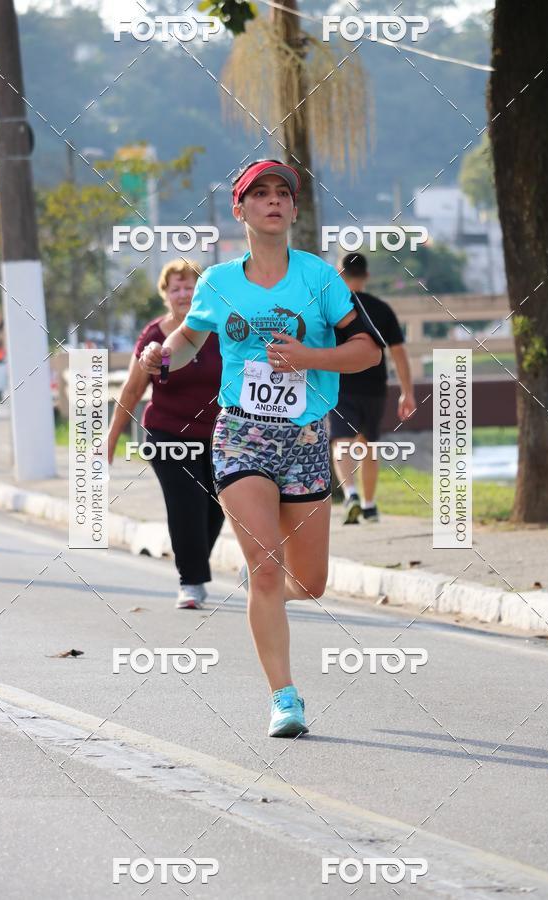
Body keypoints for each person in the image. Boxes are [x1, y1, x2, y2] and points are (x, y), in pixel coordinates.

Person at [139, 159, 383, 738]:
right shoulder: (218, 281)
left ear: (293, 210)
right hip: (241, 433)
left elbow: (367, 351)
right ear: (240, 209)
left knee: (311, 582)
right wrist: (161, 356)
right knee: (266, 570)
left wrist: (310, 359)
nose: (274, 201)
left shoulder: (319, 279)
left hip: (304, 439)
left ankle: (264, 602)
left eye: (283, 194)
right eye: (261, 194)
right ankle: (285, 698)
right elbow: (190, 334)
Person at [107, 258, 224, 610]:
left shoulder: (220, 328)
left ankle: (194, 566)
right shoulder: (155, 336)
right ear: (165, 294)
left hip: (220, 436)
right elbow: (131, 389)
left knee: (217, 507)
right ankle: (191, 582)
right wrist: (110, 440)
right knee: (186, 504)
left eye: (190, 287)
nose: (184, 293)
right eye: (176, 288)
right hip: (168, 433)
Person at [329, 252, 416, 524]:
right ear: (366, 276)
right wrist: (407, 392)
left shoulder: (333, 309)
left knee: (342, 441)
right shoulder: (381, 308)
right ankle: (369, 505)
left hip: (341, 384)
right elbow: (399, 353)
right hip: (375, 387)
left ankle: (351, 493)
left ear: (339, 273)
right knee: (369, 445)